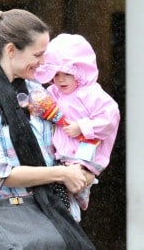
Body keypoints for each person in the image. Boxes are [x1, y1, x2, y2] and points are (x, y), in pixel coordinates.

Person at [0, 9, 97, 250]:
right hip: (26, 227)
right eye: (38, 55)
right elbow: (0, 174)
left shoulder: (40, 93)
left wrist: (83, 168)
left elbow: (68, 141)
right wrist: (62, 173)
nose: (43, 62)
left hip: (62, 218)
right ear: (11, 50)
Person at [35, 33, 120, 221]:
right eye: (56, 74)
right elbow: (42, 103)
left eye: (67, 74)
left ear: (81, 72)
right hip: (61, 156)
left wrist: (82, 127)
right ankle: (70, 211)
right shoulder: (53, 92)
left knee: (75, 183)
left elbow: (110, 118)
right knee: (61, 190)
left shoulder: (91, 94)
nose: (61, 80)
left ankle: (78, 199)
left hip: (86, 154)